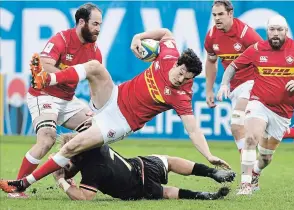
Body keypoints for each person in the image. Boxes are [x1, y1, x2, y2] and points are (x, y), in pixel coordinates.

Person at [0, 28, 231, 194]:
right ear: (178, 63)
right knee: (95, 68)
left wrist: (208, 155)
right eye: (181, 73)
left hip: (119, 122)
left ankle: (24, 183)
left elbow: (193, 130)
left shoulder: (182, 96)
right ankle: (46, 78)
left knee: (72, 146)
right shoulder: (169, 54)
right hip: (114, 96)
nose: (181, 80)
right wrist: (138, 36)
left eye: (187, 79)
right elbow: (167, 34)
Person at [217, 15, 294, 195]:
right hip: (259, 102)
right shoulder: (257, 49)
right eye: (272, 29)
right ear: (267, 31)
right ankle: (245, 185)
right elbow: (233, 66)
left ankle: (256, 172)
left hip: (283, 111)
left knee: (265, 157)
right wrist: (224, 84)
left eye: (279, 30)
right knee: (251, 138)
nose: (275, 33)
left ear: (286, 32)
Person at [9, 3, 102, 199]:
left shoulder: (95, 51)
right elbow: (44, 65)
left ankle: (66, 172)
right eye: (94, 24)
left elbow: (96, 81)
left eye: (100, 24)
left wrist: (96, 107)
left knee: (95, 132)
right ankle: (17, 187)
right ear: (81, 22)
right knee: (47, 138)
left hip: (68, 100)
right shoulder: (61, 39)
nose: (98, 29)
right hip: (43, 95)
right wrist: (68, 76)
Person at [204, 0, 294, 156]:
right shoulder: (212, 36)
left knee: (236, 123)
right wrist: (209, 90)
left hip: (252, 83)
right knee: (255, 134)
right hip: (235, 88)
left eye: (221, 14)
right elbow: (211, 61)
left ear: (230, 14)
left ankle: (247, 172)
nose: (217, 18)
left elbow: (268, 55)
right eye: (214, 15)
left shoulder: (246, 34)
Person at [50, 133, 235, 201]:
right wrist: (67, 173)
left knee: (167, 192)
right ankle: (212, 172)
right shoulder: (96, 144)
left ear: (77, 155)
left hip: (137, 188)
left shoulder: (93, 170)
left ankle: (205, 196)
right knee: (169, 161)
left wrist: (61, 181)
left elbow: (85, 197)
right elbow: (77, 164)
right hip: (140, 164)